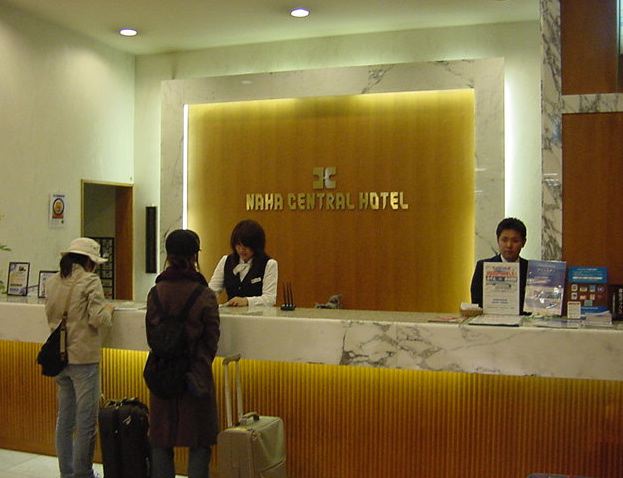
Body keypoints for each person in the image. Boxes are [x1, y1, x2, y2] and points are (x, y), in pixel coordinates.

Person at [147, 229, 220, 478]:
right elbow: (211, 338)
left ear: (168, 255)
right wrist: (199, 362)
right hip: (195, 375)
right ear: (194, 256)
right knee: (199, 440)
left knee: (161, 439)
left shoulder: (156, 292)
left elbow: (151, 335)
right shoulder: (204, 294)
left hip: (161, 373)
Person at [44, 237, 114, 478]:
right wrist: (108, 310)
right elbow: (98, 319)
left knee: (65, 420)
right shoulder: (90, 281)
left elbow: (50, 316)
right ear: (89, 262)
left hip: (60, 358)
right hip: (84, 359)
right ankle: (83, 473)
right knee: (85, 422)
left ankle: (67, 473)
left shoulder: (52, 281)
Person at [209, 219, 278, 307]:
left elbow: (269, 299)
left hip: (258, 315)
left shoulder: (269, 264)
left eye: (246, 246)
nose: (242, 250)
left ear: (256, 245)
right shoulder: (226, 261)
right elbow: (212, 290)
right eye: (238, 245)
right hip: (231, 314)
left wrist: (246, 301)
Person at [470, 217, 529, 314]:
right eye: (504, 240)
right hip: (490, 321)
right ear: (498, 240)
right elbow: (476, 303)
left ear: (523, 242)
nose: (509, 245)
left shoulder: (530, 270)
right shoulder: (483, 267)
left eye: (515, 241)